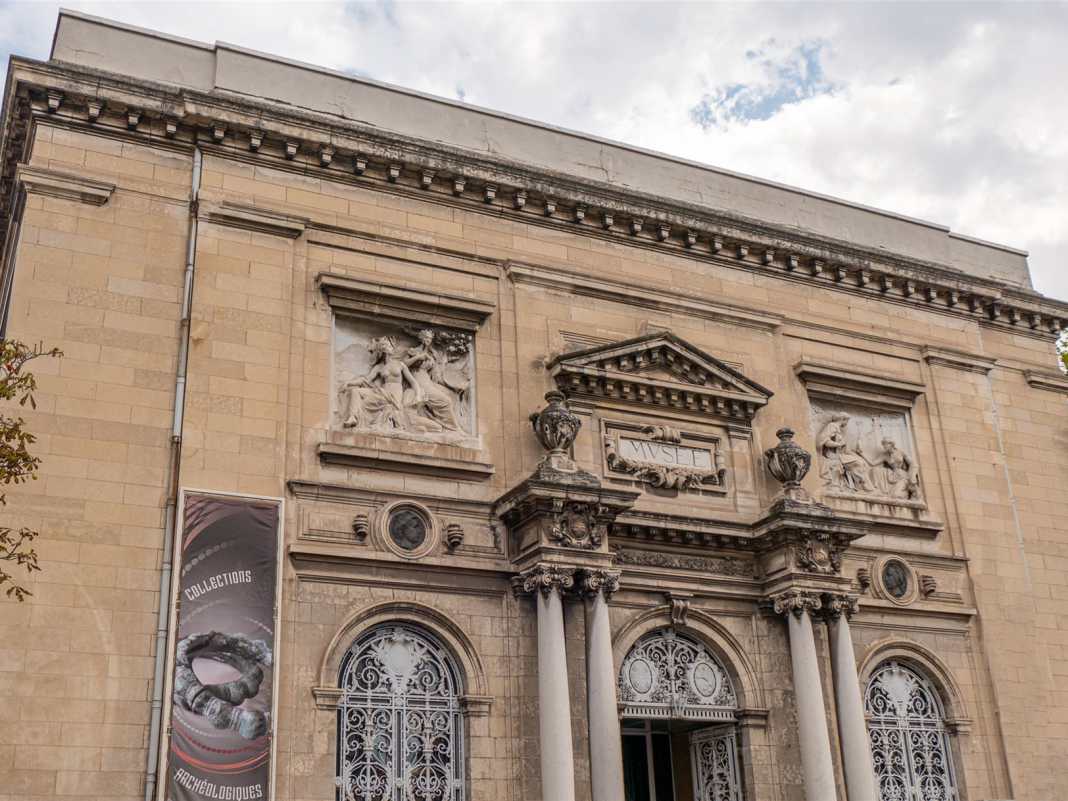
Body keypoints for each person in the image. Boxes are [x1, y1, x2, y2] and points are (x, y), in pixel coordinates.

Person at [339, 337, 424, 431]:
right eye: (385, 345)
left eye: (389, 345)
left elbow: (413, 382)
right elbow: (365, 380)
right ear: (381, 350)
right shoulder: (379, 367)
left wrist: (418, 395)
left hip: (394, 395)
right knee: (355, 391)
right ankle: (352, 417)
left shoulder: (400, 364)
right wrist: (349, 382)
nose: (388, 347)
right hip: (382, 392)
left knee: (370, 402)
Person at [404, 329, 464, 432]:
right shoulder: (413, 351)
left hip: (429, 381)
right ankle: (453, 428)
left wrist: (452, 387)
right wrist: (418, 357)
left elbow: (436, 376)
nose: (429, 340)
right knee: (446, 401)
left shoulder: (432, 355)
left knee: (451, 396)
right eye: (426, 338)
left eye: (430, 338)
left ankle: (451, 425)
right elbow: (403, 364)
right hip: (419, 381)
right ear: (421, 338)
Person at [816, 413, 876, 493]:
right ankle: (866, 487)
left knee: (860, 462)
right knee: (858, 463)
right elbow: (826, 441)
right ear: (843, 420)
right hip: (833, 455)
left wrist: (857, 454)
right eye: (847, 421)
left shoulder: (837, 429)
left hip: (839, 454)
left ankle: (863, 486)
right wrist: (839, 444)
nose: (847, 423)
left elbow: (846, 450)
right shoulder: (832, 426)